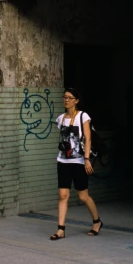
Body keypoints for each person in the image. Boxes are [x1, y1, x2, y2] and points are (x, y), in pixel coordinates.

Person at [50, 87, 103, 240]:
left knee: (83, 196)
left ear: (77, 101)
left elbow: (87, 138)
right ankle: (60, 229)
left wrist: (86, 159)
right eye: (65, 97)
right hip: (63, 161)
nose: (66, 100)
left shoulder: (83, 116)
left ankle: (97, 221)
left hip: (79, 161)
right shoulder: (60, 119)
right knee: (62, 195)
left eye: (70, 97)